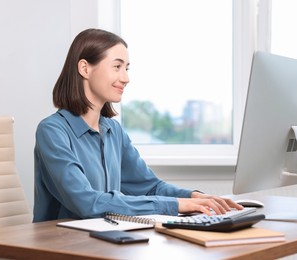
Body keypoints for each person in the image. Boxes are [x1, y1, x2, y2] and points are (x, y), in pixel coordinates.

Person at [33, 28, 242, 222]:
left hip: (102, 240)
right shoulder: (52, 131)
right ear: (85, 68)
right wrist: (176, 204)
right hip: (60, 246)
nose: (125, 78)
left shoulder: (113, 131)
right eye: (117, 67)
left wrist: (194, 197)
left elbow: (149, 187)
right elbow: (86, 203)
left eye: (127, 68)